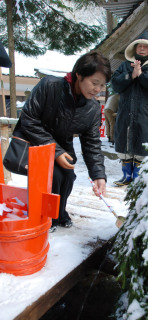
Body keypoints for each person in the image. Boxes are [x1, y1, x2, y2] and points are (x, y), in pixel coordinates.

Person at [11, 52, 111, 232]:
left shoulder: (93, 108)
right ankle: (45, 217)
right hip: (33, 139)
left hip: (60, 145)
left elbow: (92, 143)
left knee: (68, 175)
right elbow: (29, 119)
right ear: (79, 74)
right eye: (94, 83)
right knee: (53, 175)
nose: (98, 89)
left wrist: (98, 175)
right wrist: (54, 151)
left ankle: (57, 212)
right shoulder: (50, 86)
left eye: (102, 85)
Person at [111, 31, 148, 186]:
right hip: (126, 113)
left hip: (145, 114)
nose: (142, 49)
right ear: (135, 49)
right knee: (125, 143)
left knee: (142, 144)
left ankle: (137, 178)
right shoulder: (124, 65)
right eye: (139, 46)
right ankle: (126, 176)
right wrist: (130, 76)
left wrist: (142, 75)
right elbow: (115, 84)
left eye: (145, 47)